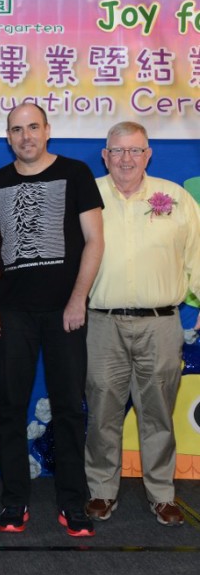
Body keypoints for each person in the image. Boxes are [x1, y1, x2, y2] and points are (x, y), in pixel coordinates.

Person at [0, 102, 104, 537]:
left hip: (65, 311)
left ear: (48, 130)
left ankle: (73, 503)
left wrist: (78, 299)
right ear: (7, 136)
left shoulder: (75, 174)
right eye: (17, 129)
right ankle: (15, 500)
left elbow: (95, 241)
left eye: (33, 127)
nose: (26, 136)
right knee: (11, 408)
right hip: (14, 314)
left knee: (69, 408)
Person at [84, 122, 200, 527]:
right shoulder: (87, 195)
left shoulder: (177, 198)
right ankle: (101, 490)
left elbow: (197, 255)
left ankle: (163, 493)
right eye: (117, 151)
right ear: (105, 156)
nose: (126, 159)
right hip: (101, 323)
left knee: (158, 413)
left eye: (135, 150)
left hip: (161, 324)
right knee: (102, 411)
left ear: (148, 154)